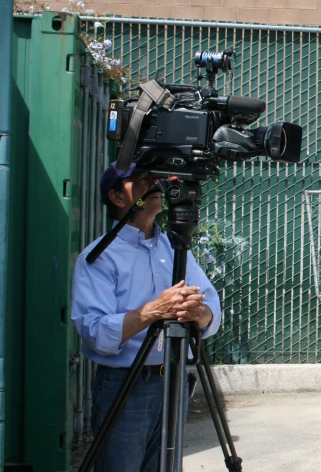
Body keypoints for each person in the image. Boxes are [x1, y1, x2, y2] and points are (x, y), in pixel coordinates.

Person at [71, 162, 222, 472]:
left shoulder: (176, 247)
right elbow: (95, 332)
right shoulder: (99, 256)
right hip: (126, 384)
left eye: (155, 179)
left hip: (175, 379)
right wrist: (156, 310)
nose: (153, 185)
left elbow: (212, 309)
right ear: (116, 197)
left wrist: (201, 314)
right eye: (140, 181)